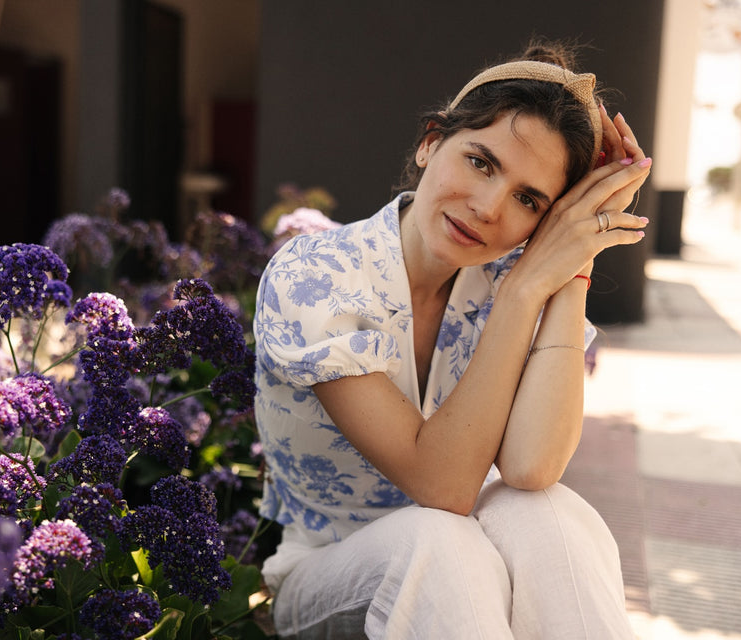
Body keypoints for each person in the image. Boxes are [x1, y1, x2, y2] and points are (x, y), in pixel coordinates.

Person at [253, 40, 650, 639]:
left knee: (549, 513)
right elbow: (443, 487)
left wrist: (575, 263)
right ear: (431, 142)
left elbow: (531, 466)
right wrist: (522, 296)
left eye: (528, 200)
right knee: (437, 542)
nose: (489, 208)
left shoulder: (508, 278)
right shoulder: (316, 276)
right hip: (327, 577)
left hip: (466, 562)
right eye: (481, 162)